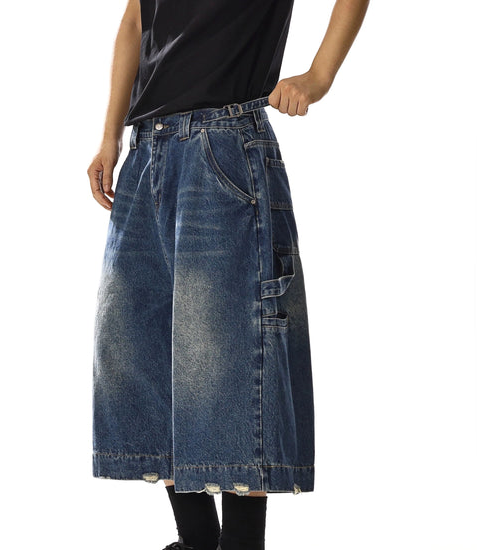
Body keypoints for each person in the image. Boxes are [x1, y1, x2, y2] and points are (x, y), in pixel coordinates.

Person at [87, 1, 369, 549]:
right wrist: (110, 136)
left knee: (231, 358)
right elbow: (135, 20)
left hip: (225, 145)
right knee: (142, 353)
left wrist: (319, 77)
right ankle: (196, 540)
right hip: (147, 150)